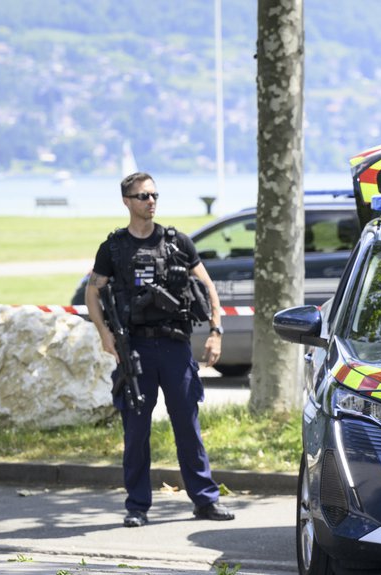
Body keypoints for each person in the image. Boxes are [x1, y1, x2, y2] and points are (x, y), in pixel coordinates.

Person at [84, 172, 235, 527]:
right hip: (134, 348)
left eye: (154, 195)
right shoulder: (114, 248)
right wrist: (104, 333)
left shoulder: (177, 242)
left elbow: (207, 285)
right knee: (136, 431)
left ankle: (204, 500)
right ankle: (137, 505)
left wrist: (216, 331)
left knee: (188, 426)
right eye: (142, 196)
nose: (150, 201)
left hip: (174, 346)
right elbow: (93, 291)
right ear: (127, 201)